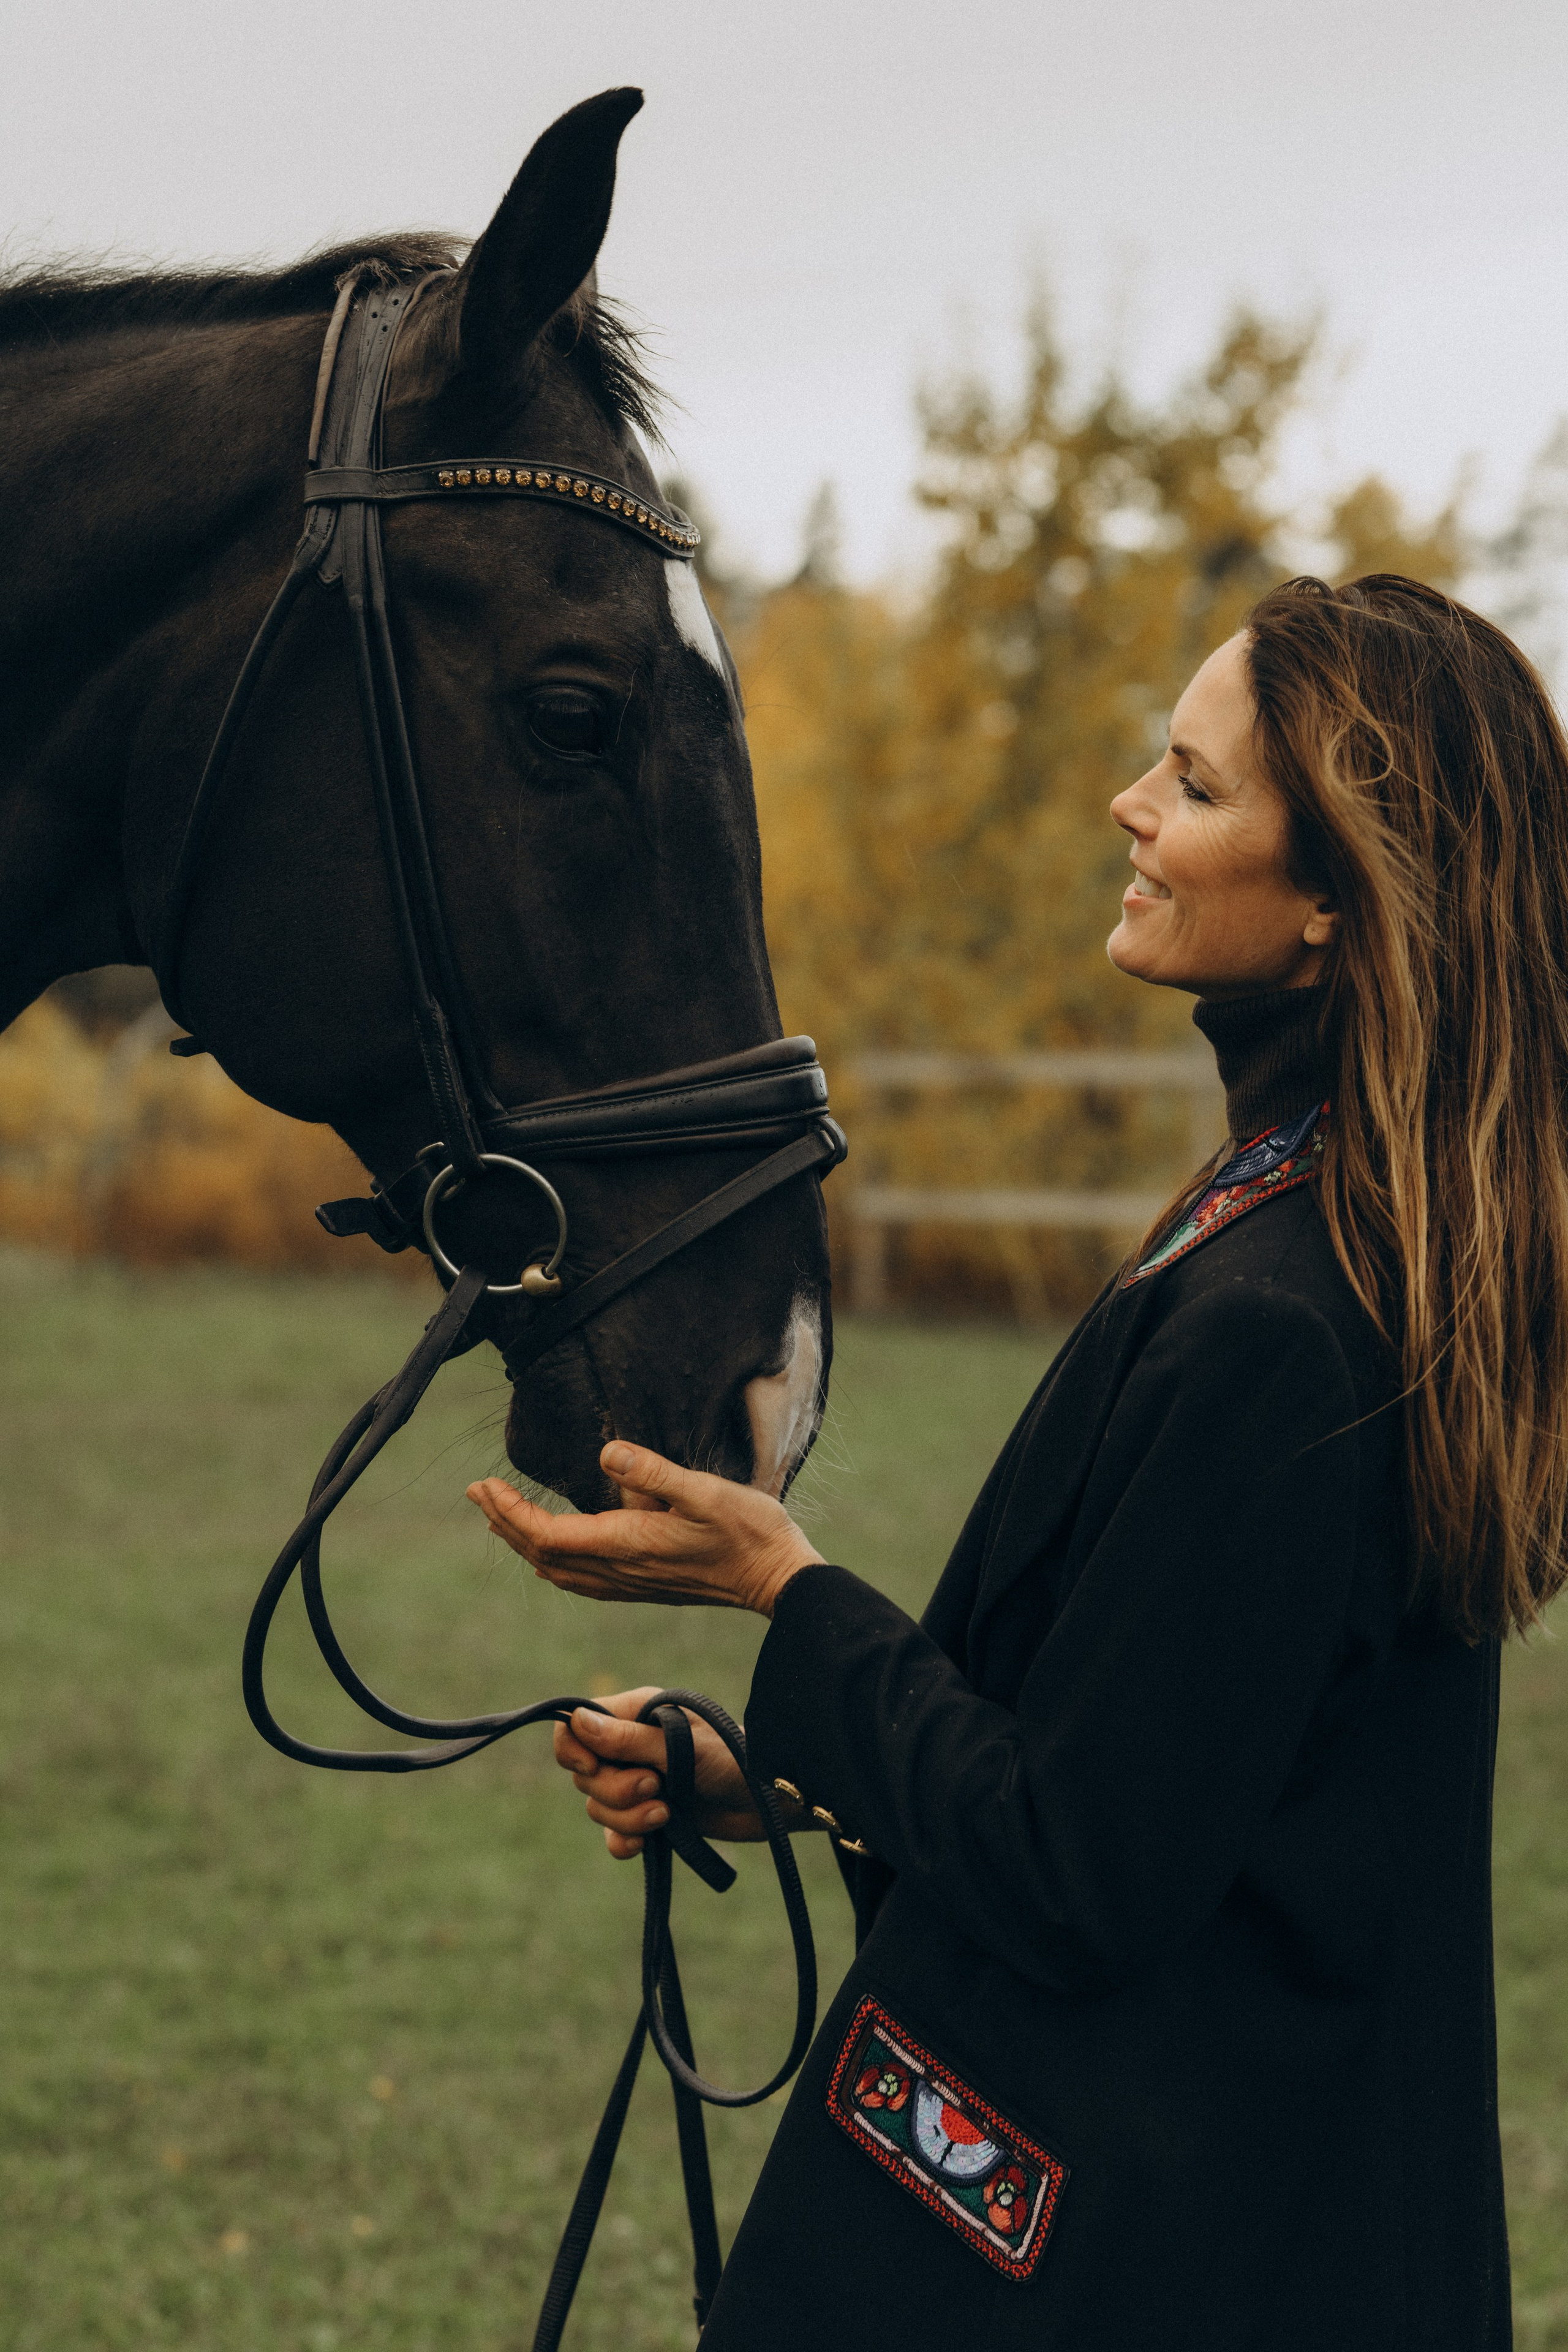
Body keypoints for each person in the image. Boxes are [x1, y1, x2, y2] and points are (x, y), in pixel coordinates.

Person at [469, 575, 1568, 2348]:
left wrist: (787, 1593)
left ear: (1336, 904)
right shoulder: (1295, 1214)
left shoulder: (1287, 1322)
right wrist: (782, 1770)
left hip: (1149, 2250)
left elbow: (1080, 1872)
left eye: (1196, 786)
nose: (1132, 807)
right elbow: (1161, 1754)